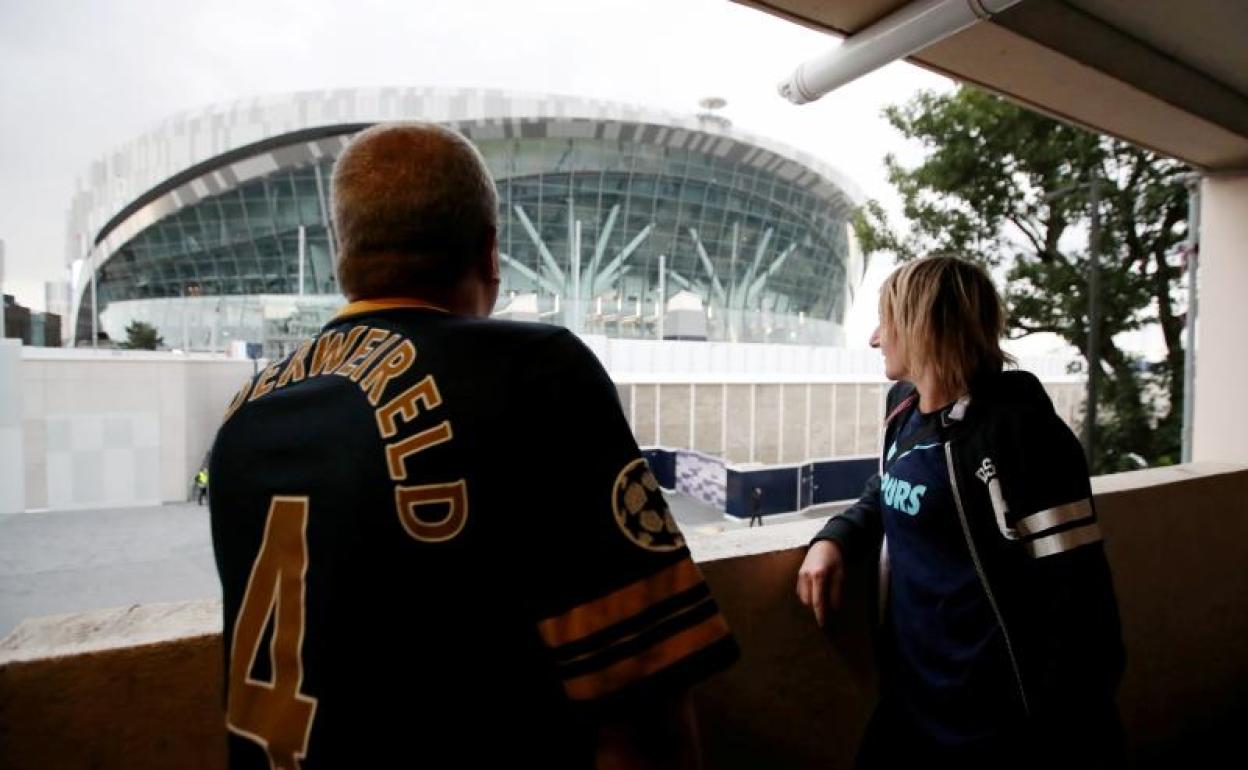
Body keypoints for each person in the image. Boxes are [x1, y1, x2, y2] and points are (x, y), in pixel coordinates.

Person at [209, 122, 737, 770]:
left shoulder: (246, 411)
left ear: (343, 254)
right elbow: (646, 710)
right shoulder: (532, 373)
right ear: (490, 253)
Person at [795, 257, 1124, 769]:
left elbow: (1079, 593)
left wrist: (1065, 728)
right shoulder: (904, 408)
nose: (875, 339)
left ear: (922, 326)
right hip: (911, 703)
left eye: (887, 321)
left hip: (997, 725)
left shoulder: (1021, 435)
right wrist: (835, 537)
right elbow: (888, 488)